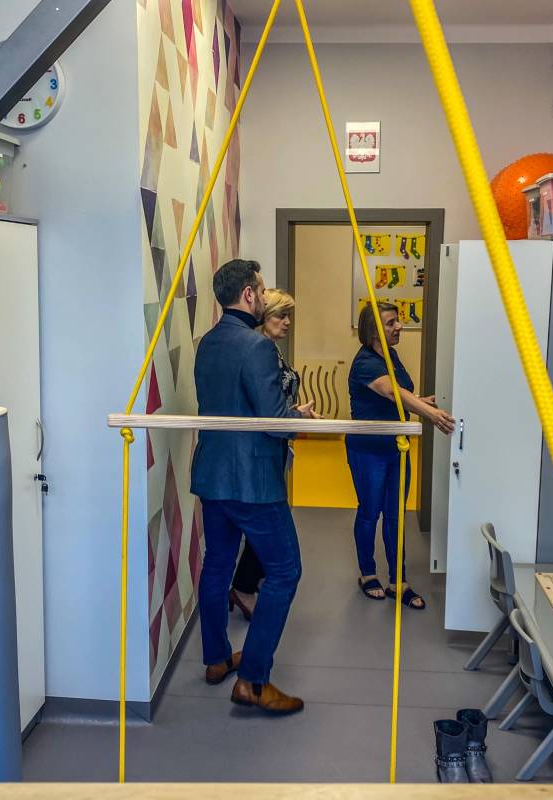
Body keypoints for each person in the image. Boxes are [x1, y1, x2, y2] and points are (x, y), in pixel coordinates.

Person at [191, 260, 314, 715]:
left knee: (217, 565)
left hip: (212, 476)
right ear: (248, 294)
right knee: (285, 571)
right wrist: (300, 418)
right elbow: (275, 422)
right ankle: (253, 681)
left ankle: (216, 659)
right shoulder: (257, 346)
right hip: (253, 483)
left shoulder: (206, 344)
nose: (263, 297)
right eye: (260, 291)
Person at [346, 301, 455, 609]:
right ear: (374, 330)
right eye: (391, 322)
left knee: (395, 515)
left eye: (398, 320)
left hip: (396, 447)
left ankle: (399, 581)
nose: (399, 326)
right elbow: (391, 392)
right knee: (370, 513)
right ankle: (368, 574)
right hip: (369, 450)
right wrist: (430, 414)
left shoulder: (390, 355)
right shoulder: (365, 362)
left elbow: (401, 394)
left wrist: (420, 400)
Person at [229, 288, 304, 622]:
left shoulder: (271, 350)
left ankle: (248, 582)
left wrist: (296, 414)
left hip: (276, 445)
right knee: (267, 523)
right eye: (280, 315)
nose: (287, 322)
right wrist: (296, 417)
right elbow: (265, 409)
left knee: (265, 520)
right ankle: (244, 586)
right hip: (262, 447)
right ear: (264, 316)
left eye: (289, 316)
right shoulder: (259, 350)